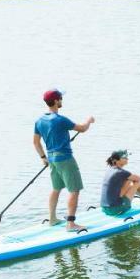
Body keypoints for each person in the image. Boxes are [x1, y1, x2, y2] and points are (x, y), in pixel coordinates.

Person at [32, 89, 94, 230]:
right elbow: (82, 128)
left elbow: (36, 142)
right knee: (74, 190)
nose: (61, 100)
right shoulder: (60, 120)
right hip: (65, 159)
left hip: (52, 160)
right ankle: (71, 224)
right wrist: (89, 120)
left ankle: (52, 219)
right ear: (55, 101)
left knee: (56, 188)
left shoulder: (39, 121)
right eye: (60, 98)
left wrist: (43, 157)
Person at [100, 150, 140, 216]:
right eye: (124, 157)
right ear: (116, 160)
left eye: (127, 157)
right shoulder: (123, 172)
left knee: (129, 181)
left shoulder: (110, 170)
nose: (127, 159)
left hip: (105, 209)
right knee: (136, 182)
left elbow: (120, 193)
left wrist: (128, 182)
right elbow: (139, 179)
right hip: (117, 209)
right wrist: (128, 182)